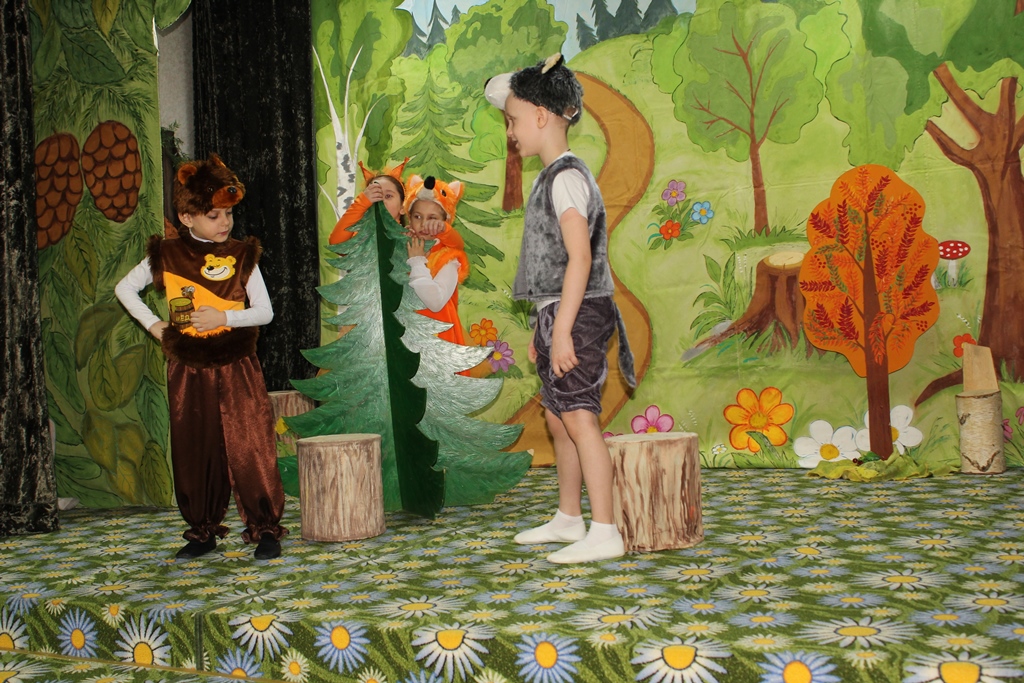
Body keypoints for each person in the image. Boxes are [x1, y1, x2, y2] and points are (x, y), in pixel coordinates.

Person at [485, 54, 636, 564]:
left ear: (541, 116)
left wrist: (565, 329)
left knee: (579, 417)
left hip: (580, 311)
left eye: (513, 120)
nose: (510, 132)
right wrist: (543, 329)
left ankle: (606, 530)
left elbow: (580, 258)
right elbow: (551, 271)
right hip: (561, 313)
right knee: (557, 415)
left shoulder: (566, 177)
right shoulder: (549, 177)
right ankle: (570, 518)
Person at [114, 154, 286, 561]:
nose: (225, 222)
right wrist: (155, 326)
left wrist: (225, 317)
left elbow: (265, 312)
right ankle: (203, 530)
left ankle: (265, 528)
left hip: (236, 365)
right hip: (188, 368)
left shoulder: (242, 254)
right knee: (195, 449)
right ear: (187, 216)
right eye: (214, 215)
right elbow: (124, 288)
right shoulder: (167, 254)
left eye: (228, 213)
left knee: (250, 446)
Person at [402, 174, 470, 347]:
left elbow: (435, 302)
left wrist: (417, 262)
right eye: (417, 217)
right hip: (406, 338)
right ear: (409, 218)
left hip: (437, 342)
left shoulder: (447, 258)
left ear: (444, 222)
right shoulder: (403, 248)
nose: (424, 224)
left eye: (432, 218)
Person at [329, 159, 409, 244]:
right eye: (375, 196)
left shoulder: (410, 239)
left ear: (402, 207)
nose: (380, 201)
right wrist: (362, 202)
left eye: (388, 196)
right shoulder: (360, 237)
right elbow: (336, 243)